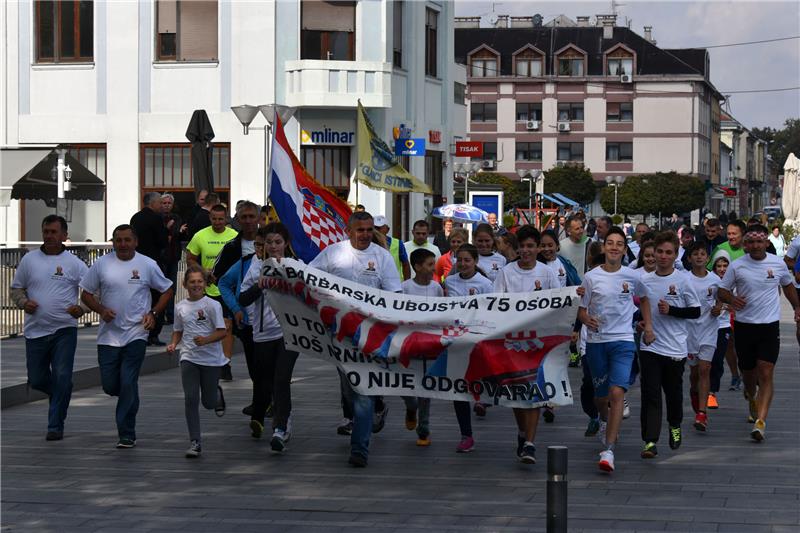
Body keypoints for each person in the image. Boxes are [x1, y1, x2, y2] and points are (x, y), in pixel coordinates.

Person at [309, 211, 401, 467]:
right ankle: (372, 411)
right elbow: (308, 278)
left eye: (370, 230)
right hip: (340, 334)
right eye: (360, 230)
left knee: (363, 389)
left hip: (372, 333)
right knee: (349, 388)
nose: (365, 235)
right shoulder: (332, 253)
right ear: (348, 231)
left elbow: (395, 293)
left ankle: (360, 447)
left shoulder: (382, 257)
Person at [80, 224, 174, 448]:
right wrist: (101, 310)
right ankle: (129, 398)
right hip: (108, 336)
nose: (122, 244)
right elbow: (86, 293)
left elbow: (167, 289)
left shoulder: (147, 264)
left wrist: (153, 313)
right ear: (113, 242)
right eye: (118, 240)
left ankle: (126, 433)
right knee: (111, 385)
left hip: (136, 332)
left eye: (127, 240)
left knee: (128, 380)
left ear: (135, 242)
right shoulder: (102, 264)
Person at [717, 224, 800, 442]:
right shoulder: (737, 266)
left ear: (766, 243)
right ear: (746, 244)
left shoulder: (778, 264)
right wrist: (731, 299)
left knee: (766, 371)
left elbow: (789, 286)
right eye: (751, 242)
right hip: (744, 327)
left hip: (769, 326)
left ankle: (760, 422)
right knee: (749, 375)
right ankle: (750, 395)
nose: (755, 246)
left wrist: (797, 308)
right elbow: (722, 290)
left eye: (759, 242)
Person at [10, 215, 89, 441]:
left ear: (64, 235)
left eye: (54, 232)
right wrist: (24, 303)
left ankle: (55, 425)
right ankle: (61, 392)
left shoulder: (74, 263)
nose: (49, 236)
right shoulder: (29, 260)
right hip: (35, 330)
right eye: (46, 231)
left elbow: (93, 291)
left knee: (62, 375)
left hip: (64, 329)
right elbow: (16, 290)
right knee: (37, 380)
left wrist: (81, 308)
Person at [492, 225, 559, 465]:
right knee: (516, 394)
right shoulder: (506, 272)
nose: (527, 251)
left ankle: (530, 442)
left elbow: (558, 304)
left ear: (538, 248)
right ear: (516, 248)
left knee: (534, 393)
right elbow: (496, 304)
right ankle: (522, 431)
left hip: (538, 343)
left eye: (531, 246)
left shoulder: (547, 273)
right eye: (523, 246)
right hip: (512, 342)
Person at [578, 227, 640, 473]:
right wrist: (585, 319)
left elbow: (644, 298)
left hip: (623, 340)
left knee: (617, 393)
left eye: (619, 244)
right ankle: (604, 419)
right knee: (601, 396)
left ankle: (609, 450)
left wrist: (647, 325)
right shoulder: (591, 277)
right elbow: (582, 309)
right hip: (596, 342)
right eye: (610, 243)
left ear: (625, 249)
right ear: (603, 247)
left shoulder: (632, 276)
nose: (614, 247)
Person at [636, 231, 700, 459]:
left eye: (668, 253)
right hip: (650, 345)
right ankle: (650, 440)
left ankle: (675, 425)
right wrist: (640, 323)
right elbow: (636, 308)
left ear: (675, 255)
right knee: (650, 393)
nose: (663, 257)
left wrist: (671, 310)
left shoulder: (683, 280)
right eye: (659, 252)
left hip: (675, 348)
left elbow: (695, 311)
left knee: (673, 394)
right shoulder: (643, 280)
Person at [239, 223, 299, 453]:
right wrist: (259, 286)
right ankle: (272, 416)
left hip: (289, 333)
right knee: (264, 380)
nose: (273, 247)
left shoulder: (296, 267)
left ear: (286, 244)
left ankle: (281, 427)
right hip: (262, 334)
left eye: (278, 242)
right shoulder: (256, 267)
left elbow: (311, 295)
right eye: (269, 243)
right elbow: (243, 299)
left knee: (281, 379)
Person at [167, 266, 228, 458]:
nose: (196, 285)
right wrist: (173, 344)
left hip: (211, 359)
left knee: (208, 403)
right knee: (191, 399)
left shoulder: (212, 305)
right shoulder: (180, 307)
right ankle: (195, 441)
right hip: (189, 357)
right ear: (185, 284)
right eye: (192, 282)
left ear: (205, 284)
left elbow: (222, 331)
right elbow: (178, 329)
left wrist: (206, 340)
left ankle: (216, 395)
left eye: (199, 281)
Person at [444, 243, 493, 453]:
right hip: (456, 342)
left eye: (467, 260)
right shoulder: (449, 281)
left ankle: (483, 401)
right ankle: (466, 435)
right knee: (458, 389)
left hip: (479, 342)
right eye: (459, 259)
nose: (463, 264)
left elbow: (492, 312)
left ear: (475, 262)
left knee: (479, 382)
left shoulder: (485, 284)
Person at [216, 201, 261, 410]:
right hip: (246, 316)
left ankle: (270, 401)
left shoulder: (275, 243)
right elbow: (221, 280)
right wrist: (235, 309)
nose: (249, 221)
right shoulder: (232, 247)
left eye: (252, 216)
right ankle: (259, 401)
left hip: (274, 315)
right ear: (237, 220)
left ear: (259, 218)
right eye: (244, 217)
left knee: (273, 362)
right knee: (254, 361)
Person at [186, 203, 238, 380]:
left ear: (226, 219)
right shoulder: (200, 236)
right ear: (210, 218)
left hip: (227, 288)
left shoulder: (234, 237)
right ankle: (209, 361)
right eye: (214, 219)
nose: (217, 222)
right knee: (208, 326)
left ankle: (226, 364)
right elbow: (190, 258)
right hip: (205, 288)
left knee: (227, 326)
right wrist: (202, 271)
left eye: (221, 219)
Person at [401, 248, 443, 446]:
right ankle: (411, 407)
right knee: (407, 385)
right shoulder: (405, 288)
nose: (433, 268)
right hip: (409, 344)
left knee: (426, 388)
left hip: (430, 345)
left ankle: (424, 429)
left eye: (433, 264)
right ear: (417, 267)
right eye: (429, 264)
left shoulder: (436, 288)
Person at [684, 243, 723, 432]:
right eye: (695, 254)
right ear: (689, 258)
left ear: (708, 258)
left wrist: (719, 306)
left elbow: (722, 296)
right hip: (689, 331)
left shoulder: (715, 280)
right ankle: (694, 392)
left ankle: (702, 413)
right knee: (694, 374)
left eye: (703, 254)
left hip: (709, 329)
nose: (699, 257)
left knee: (705, 369)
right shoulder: (684, 279)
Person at [130, 192, 169, 346]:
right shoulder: (156, 219)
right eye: (160, 203)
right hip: (153, 262)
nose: (162, 206)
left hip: (135, 262)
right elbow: (162, 241)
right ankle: (153, 333)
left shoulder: (135, 218)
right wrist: (167, 231)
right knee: (157, 296)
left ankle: (141, 330)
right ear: (152, 203)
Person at [707, 255, 732, 410]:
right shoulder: (710, 281)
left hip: (723, 326)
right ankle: (701, 389)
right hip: (706, 326)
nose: (722, 269)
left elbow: (737, 303)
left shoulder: (733, 283)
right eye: (719, 266)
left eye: (725, 266)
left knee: (717, 360)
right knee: (704, 362)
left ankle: (711, 392)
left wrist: (728, 306)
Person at [161, 193, 183, 324]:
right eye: (164, 203)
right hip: (161, 256)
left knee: (172, 286)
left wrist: (174, 230)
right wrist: (168, 228)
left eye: (169, 203)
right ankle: (160, 313)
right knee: (160, 287)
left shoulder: (176, 217)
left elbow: (176, 232)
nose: (167, 205)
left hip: (174, 255)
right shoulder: (157, 217)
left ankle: (170, 314)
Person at [374, 215, 411, 280]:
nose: (376, 231)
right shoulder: (367, 243)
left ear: (387, 229)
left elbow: (405, 265)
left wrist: (406, 284)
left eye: (379, 228)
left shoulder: (397, 243)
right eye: (374, 228)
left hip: (395, 285)